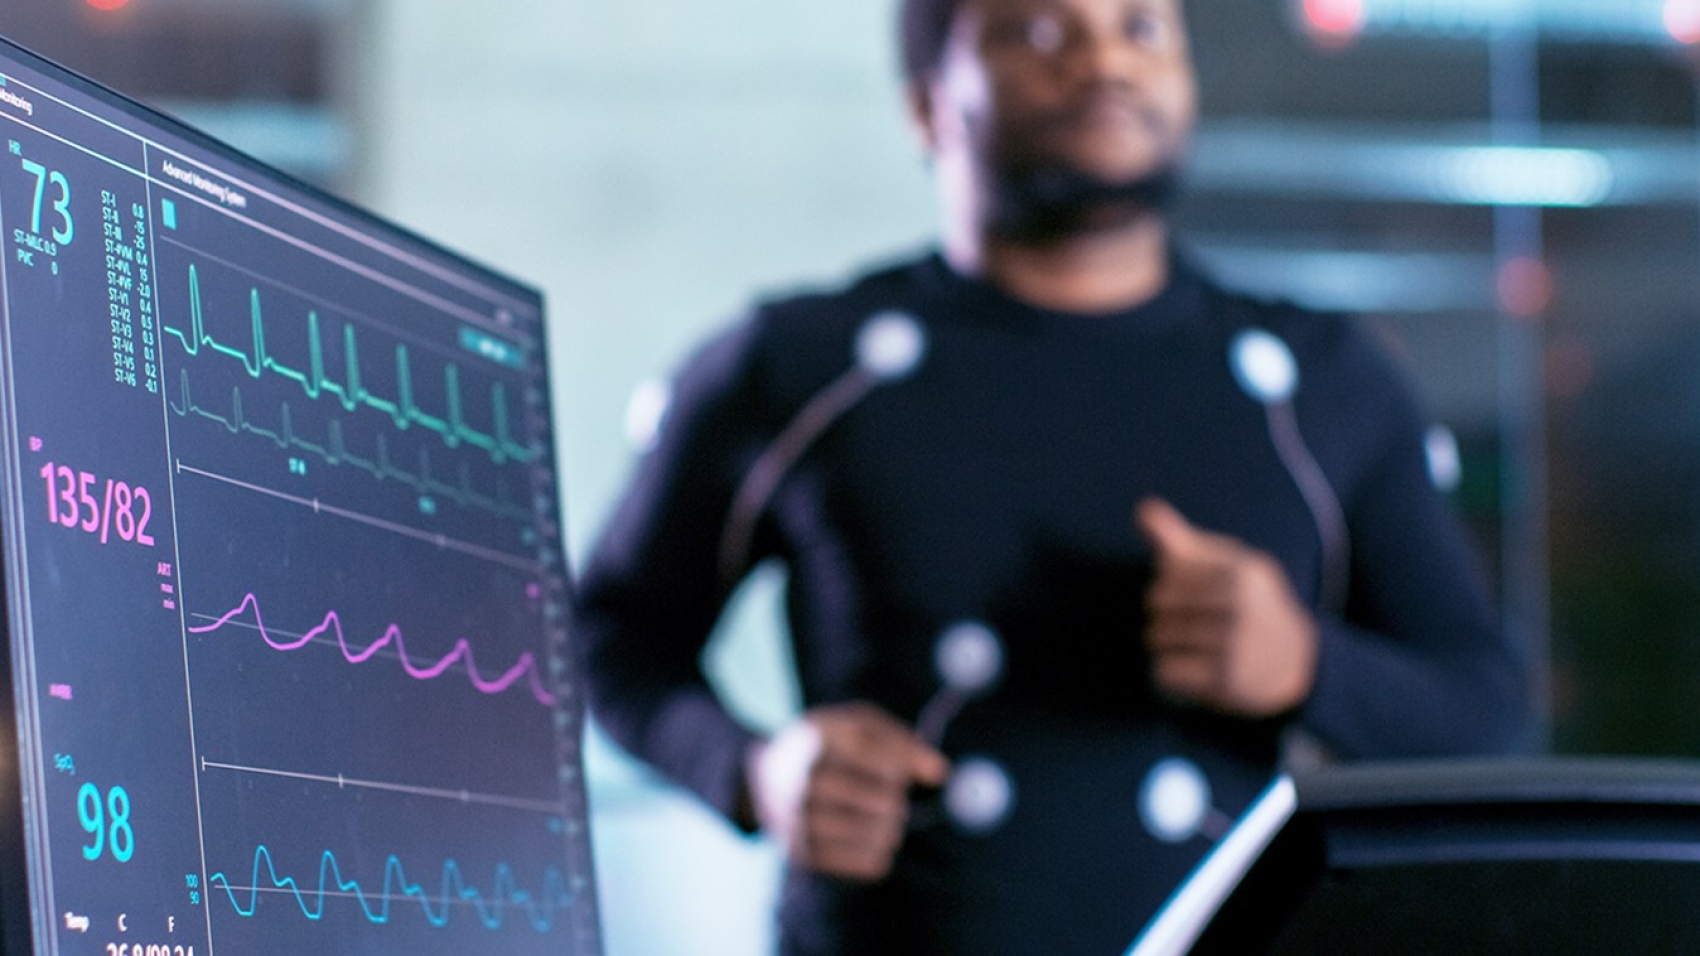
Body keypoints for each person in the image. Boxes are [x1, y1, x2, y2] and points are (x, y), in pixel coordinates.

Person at [571, 0, 1530, 951]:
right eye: (1039, 31)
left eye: (1141, 28)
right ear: (927, 106)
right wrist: (754, 771)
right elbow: (603, 635)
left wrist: (1307, 665)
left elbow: (1486, 709)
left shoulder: (1323, 381)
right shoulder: (797, 364)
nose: (1105, 61)